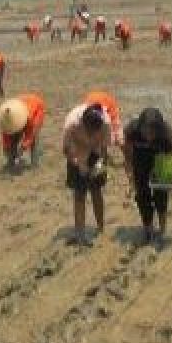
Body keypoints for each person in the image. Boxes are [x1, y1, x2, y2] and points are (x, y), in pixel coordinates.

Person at [122, 108, 172, 245]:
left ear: (159, 129)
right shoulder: (132, 130)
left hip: (159, 160)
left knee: (161, 196)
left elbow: (169, 156)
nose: (148, 135)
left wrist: (165, 175)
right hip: (139, 160)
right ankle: (148, 229)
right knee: (142, 196)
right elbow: (127, 151)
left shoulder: (166, 135)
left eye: (152, 132)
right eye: (145, 130)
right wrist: (130, 172)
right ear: (140, 126)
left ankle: (162, 230)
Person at [63, 102, 111, 244]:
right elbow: (66, 150)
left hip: (95, 153)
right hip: (77, 153)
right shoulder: (71, 124)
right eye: (88, 130)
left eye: (94, 131)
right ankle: (80, 232)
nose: (90, 134)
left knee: (96, 191)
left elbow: (104, 150)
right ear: (83, 123)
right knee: (79, 194)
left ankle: (100, 227)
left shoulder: (106, 123)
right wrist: (78, 164)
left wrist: (99, 165)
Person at [0, 93, 47, 168]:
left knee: (34, 139)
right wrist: (6, 148)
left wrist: (22, 148)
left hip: (37, 109)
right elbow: (6, 136)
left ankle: (34, 163)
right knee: (13, 137)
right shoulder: (6, 119)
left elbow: (30, 135)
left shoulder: (30, 119)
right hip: (21, 104)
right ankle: (11, 161)